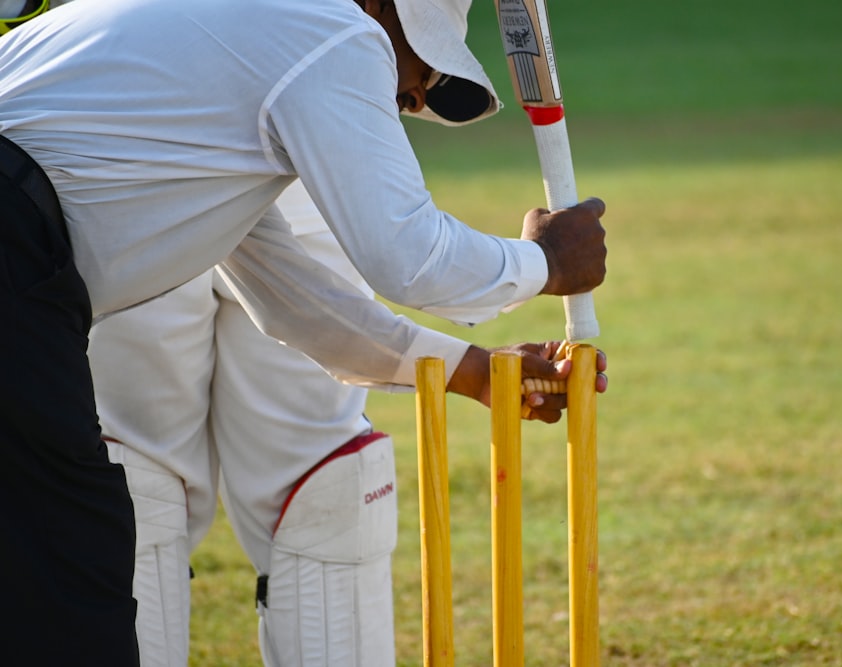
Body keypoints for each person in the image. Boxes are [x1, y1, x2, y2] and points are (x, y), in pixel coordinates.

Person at [0, 0, 607, 665]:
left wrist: (471, 369)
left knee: (57, 550)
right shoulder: (332, 29)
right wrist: (546, 261)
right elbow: (411, 256)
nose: (408, 98)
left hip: (23, 253)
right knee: (73, 553)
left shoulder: (233, 66)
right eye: (421, 69)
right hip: (14, 238)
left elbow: (299, 306)